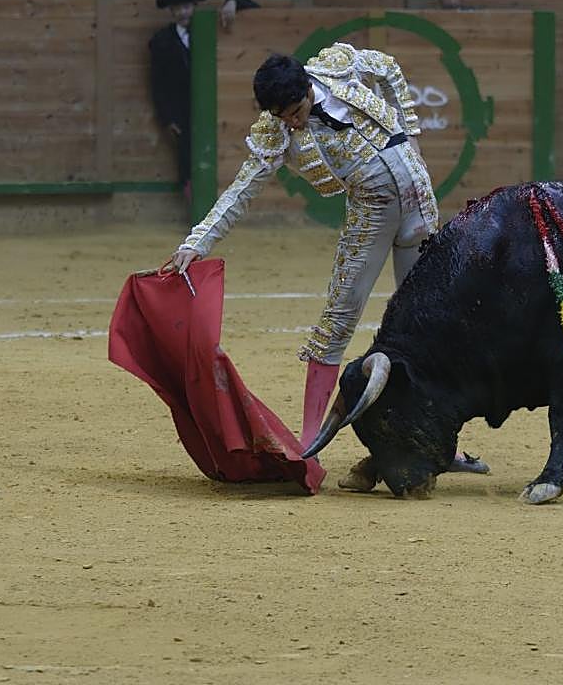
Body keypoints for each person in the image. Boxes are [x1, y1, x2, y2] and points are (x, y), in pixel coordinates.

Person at [160, 44, 489, 490]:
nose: (293, 123)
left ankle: (438, 445)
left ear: (308, 89)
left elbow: (389, 68)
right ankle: (308, 446)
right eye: (284, 118)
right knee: (336, 321)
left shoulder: (336, 67)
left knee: (430, 329)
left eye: (296, 112)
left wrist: (410, 132)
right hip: (371, 213)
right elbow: (240, 190)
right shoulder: (277, 132)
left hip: (420, 201)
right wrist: (196, 243)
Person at [148, 0, 259, 201]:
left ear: (194, 7)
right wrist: (168, 118)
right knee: (188, 163)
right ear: (171, 11)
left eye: (187, 7)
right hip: (183, 113)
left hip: (218, 107)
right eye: (177, 8)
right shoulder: (161, 41)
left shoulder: (213, 29)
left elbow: (254, 8)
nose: (183, 12)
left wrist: (233, 1)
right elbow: (157, 83)